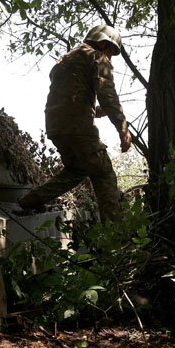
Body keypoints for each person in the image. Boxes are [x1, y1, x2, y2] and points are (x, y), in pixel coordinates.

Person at [18, 25, 132, 223]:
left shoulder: (64, 60)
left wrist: (96, 112)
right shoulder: (97, 57)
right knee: (104, 174)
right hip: (80, 130)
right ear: (103, 43)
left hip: (56, 128)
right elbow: (108, 95)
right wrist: (123, 128)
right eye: (111, 51)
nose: (110, 57)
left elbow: (70, 100)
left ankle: (30, 200)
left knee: (76, 170)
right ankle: (116, 241)